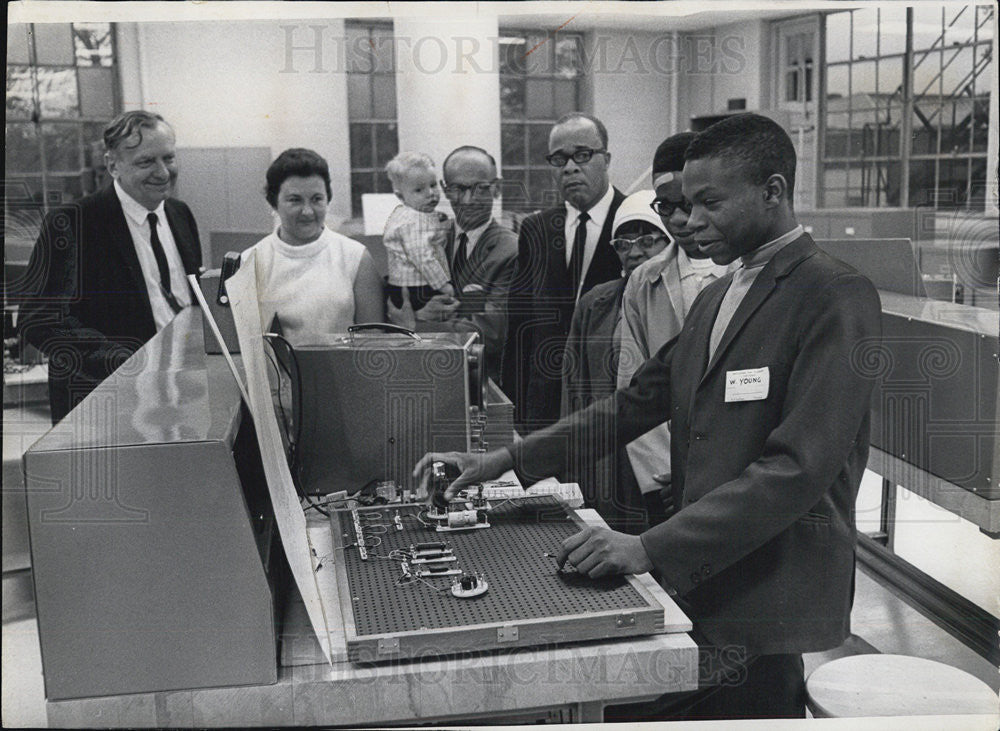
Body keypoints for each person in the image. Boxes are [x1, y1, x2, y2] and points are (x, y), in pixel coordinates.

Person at [416, 113, 882, 720]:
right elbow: (633, 404)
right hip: (711, 574)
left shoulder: (833, 294)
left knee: (753, 704)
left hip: (771, 584)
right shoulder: (722, 292)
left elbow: (797, 469)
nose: (691, 221)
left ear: (773, 190)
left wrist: (648, 547)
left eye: (710, 202)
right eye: (684, 205)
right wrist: (502, 461)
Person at [19, 111, 203, 423]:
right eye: (146, 162)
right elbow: (39, 320)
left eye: (168, 158)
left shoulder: (180, 214)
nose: (163, 172)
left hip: (178, 392)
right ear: (112, 165)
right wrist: (126, 364)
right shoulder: (73, 223)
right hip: (106, 404)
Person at [617, 133, 732, 526]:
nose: (680, 220)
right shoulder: (644, 282)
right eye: (666, 207)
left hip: (733, 486)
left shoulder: (747, 275)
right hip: (665, 484)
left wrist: (704, 477)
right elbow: (634, 386)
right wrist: (666, 476)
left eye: (689, 203)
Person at [501, 113, 626, 433]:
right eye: (559, 159)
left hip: (612, 403)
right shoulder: (536, 229)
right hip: (545, 407)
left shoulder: (634, 222)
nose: (570, 167)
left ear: (606, 159)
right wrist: (515, 410)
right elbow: (520, 327)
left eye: (582, 155)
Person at [561, 190, 670, 534]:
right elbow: (574, 389)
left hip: (669, 463)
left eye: (648, 240)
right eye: (623, 243)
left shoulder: (694, 300)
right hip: (609, 460)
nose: (634, 251)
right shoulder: (597, 303)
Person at [386, 146, 517, 383]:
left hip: (479, 387)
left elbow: (491, 332)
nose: (468, 200)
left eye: (480, 188)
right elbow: (395, 299)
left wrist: (417, 326)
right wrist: (416, 310)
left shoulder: (512, 251)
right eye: (458, 189)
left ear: (496, 188)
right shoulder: (428, 235)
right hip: (420, 378)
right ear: (445, 190)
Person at [244, 148, 384, 345]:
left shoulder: (356, 257)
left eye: (317, 199)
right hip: (274, 375)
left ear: (328, 199)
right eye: (295, 200)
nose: (308, 211)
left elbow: (372, 341)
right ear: (274, 202)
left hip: (345, 373)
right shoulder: (251, 260)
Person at [382, 152, 454, 312]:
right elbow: (422, 256)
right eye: (419, 190)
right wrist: (443, 285)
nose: (430, 193)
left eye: (433, 185)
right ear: (401, 196)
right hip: (415, 287)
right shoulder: (411, 222)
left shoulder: (416, 213)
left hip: (419, 282)